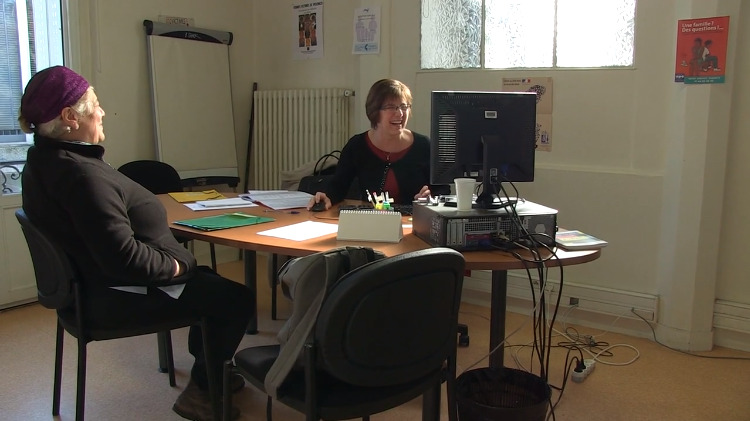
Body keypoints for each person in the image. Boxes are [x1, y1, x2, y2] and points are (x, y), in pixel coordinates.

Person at [18, 65, 252, 421]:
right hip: (112, 296)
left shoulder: (43, 161)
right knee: (234, 299)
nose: (101, 112)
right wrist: (177, 265)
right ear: (69, 117)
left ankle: (212, 368)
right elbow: (124, 260)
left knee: (212, 284)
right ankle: (204, 390)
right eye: (95, 105)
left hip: (84, 291)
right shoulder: (81, 176)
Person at [307, 78, 448, 210]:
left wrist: (431, 198)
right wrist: (326, 197)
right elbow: (338, 186)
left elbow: (442, 190)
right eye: (391, 107)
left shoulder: (423, 145)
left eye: (404, 107)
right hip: (373, 220)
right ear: (374, 111)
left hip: (413, 221)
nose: (400, 113)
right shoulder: (357, 146)